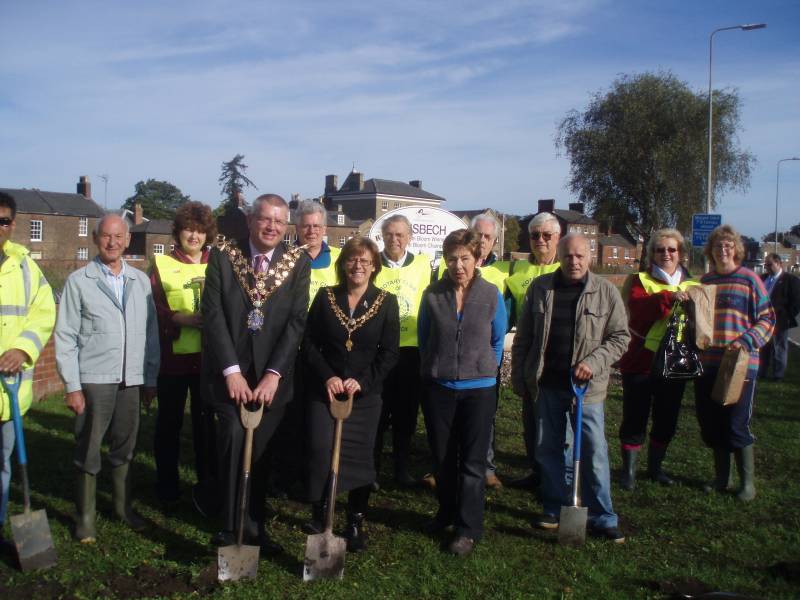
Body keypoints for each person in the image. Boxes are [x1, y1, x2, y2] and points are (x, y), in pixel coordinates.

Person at [201, 193, 310, 552]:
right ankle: (231, 527)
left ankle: (255, 525)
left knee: (262, 451)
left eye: (279, 222)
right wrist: (231, 371)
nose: (272, 227)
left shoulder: (297, 263)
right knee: (233, 441)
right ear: (251, 220)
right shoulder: (223, 255)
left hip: (271, 378)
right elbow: (213, 314)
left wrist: (273, 374)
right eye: (266, 219)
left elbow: (296, 322)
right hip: (229, 373)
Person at [511, 233, 629, 543]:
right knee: (548, 448)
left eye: (579, 256)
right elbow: (524, 337)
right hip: (547, 385)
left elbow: (620, 338)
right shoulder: (541, 288)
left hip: (587, 390)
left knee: (593, 452)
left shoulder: (605, 292)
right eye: (568, 256)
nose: (573, 262)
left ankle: (603, 515)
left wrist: (594, 361)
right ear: (559, 257)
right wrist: (520, 377)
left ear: (589, 257)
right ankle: (555, 506)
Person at [55, 214, 160, 543]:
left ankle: (122, 509)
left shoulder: (140, 280)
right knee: (88, 448)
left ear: (128, 240)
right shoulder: (78, 281)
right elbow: (66, 336)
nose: (112, 242)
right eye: (105, 236)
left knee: (124, 447)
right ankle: (85, 518)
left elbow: (151, 333)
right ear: (96, 239)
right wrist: (72, 386)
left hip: (131, 379)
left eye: (118, 236)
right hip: (94, 378)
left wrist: (150, 376)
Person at [302, 237, 399, 551]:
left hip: (365, 396)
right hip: (325, 390)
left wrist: (364, 383)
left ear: (374, 266)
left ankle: (355, 520)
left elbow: (389, 353)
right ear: (343, 264)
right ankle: (321, 512)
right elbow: (309, 343)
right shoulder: (326, 296)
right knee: (320, 450)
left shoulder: (386, 301)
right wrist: (328, 376)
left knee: (360, 456)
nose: (358, 266)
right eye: (352, 260)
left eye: (365, 261)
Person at [418, 229, 507, 556]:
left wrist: (485, 368)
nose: (458, 265)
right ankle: (446, 512)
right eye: (452, 258)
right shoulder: (432, 295)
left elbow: (497, 340)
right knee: (443, 458)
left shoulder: (491, 295)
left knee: (472, 462)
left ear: (477, 259)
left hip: (478, 391)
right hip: (439, 388)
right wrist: (434, 370)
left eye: (465, 258)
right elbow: (425, 338)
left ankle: (468, 527)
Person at [694, 225, 774, 502]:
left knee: (736, 423)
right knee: (712, 422)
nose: (723, 250)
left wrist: (747, 341)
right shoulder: (705, 282)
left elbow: (767, 319)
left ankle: (747, 484)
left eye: (728, 245)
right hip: (709, 363)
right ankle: (721, 477)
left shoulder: (750, 280)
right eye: (718, 245)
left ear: (736, 249)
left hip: (740, 364)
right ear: (711, 251)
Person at [268, 200, 340, 498]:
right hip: (288, 347)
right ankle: (283, 474)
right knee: (286, 415)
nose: (311, 231)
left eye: (317, 226)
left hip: (324, 350)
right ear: (295, 228)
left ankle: (314, 477)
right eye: (305, 225)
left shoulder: (338, 259)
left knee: (317, 415)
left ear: (325, 229)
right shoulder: (283, 257)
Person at [617, 229, 699, 490]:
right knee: (635, 416)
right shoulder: (639, 280)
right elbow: (637, 310)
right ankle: (628, 471)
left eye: (672, 250)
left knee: (667, 417)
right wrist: (669, 298)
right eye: (660, 250)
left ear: (681, 254)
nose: (666, 254)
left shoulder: (694, 284)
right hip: (641, 361)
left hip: (676, 362)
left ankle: (655, 468)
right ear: (652, 254)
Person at [149, 201, 217, 511]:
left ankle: (207, 487)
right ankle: (167, 486)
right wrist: (179, 319)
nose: (194, 236)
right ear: (178, 232)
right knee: (169, 425)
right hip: (173, 361)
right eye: (189, 229)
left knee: (205, 428)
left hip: (208, 362)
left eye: (201, 231)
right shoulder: (161, 264)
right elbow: (155, 308)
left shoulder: (217, 263)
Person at [0, 192, 56, 546]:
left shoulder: (24, 266)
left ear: (13, 224)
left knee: (3, 467)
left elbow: (44, 310)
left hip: (8, 393)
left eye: (3, 221)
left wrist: (23, 348)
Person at [373, 215, 431, 487]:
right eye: (389, 235)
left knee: (406, 413)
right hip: (379, 349)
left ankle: (401, 469)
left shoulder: (422, 264)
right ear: (382, 237)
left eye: (400, 235)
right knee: (378, 412)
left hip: (412, 350)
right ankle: (371, 469)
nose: (394, 240)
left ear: (409, 237)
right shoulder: (374, 265)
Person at [505, 212, 562, 491]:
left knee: (554, 421)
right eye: (535, 235)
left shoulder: (569, 267)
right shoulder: (515, 270)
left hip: (558, 356)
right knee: (530, 417)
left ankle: (555, 475)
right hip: (528, 353)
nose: (540, 240)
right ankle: (535, 470)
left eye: (546, 235)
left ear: (557, 238)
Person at [759, 253, 800, 381]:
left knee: (779, 347)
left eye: (770, 264)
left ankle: (778, 375)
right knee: (763, 347)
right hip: (762, 320)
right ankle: (762, 372)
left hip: (780, 319)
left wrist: (788, 316)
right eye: (766, 265)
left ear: (778, 263)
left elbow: (797, 301)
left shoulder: (791, 280)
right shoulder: (763, 278)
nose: (767, 268)